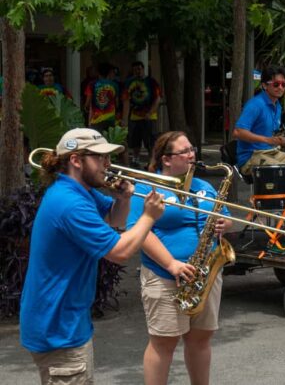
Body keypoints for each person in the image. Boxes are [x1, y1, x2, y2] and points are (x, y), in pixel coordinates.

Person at [20, 128, 165, 384]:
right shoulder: (70, 203)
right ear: (76, 160)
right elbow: (120, 253)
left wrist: (122, 200)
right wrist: (149, 217)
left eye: (108, 158)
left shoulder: (79, 191)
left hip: (63, 320)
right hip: (59, 327)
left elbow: (114, 220)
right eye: (100, 158)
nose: (107, 165)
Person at [126, 131, 233, 385]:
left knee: (201, 339)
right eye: (184, 151)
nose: (192, 154)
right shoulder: (147, 187)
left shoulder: (204, 187)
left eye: (192, 149)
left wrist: (224, 223)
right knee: (164, 343)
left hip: (205, 275)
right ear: (166, 159)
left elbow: (227, 215)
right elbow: (139, 231)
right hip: (165, 276)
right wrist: (171, 264)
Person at [232, 65, 285, 176]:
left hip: (271, 152)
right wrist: (268, 140)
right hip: (251, 157)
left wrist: (280, 140)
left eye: (284, 84)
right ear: (264, 85)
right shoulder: (255, 104)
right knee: (281, 170)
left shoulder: (277, 105)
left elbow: (270, 135)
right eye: (276, 84)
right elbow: (238, 132)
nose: (281, 88)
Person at [122, 61, 162, 167]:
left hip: (149, 116)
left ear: (143, 69)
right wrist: (125, 119)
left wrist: (150, 112)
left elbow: (157, 98)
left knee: (150, 140)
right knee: (135, 139)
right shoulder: (129, 82)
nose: (138, 71)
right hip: (135, 116)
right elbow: (126, 100)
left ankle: (151, 161)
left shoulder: (151, 81)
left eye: (139, 69)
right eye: (135, 69)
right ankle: (135, 159)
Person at [85, 62, 122, 133]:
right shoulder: (115, 85)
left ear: (98, 72)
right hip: (110, 119)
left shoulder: (92, 84)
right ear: (109, 72)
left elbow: (87, 103)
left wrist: (86, 108)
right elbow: (117, 104)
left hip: (96, 120)